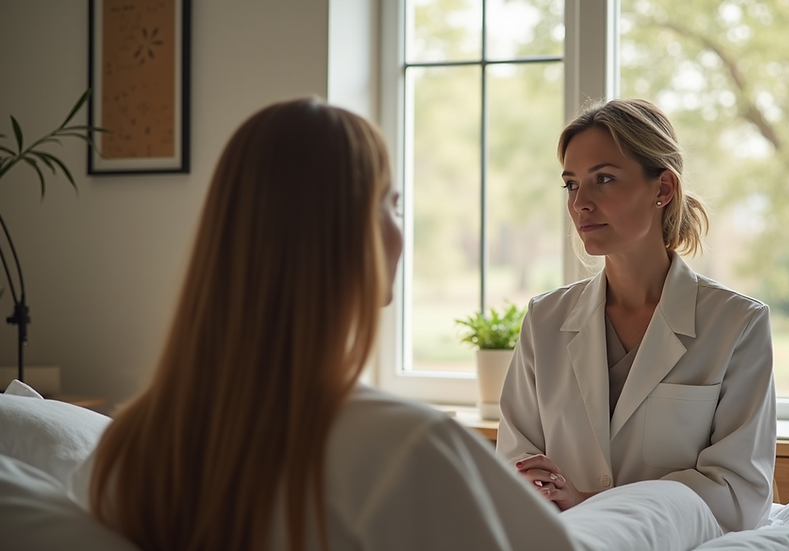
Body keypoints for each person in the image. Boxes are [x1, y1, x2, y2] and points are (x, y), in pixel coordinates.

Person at [69, 98, 725, 551]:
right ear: (341, 237)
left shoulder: (127, 448)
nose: (400, 229)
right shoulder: (409, 448)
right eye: (391, 203)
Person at [495, 98, 777, 533]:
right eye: (571, 184)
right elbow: (516, 473)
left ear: (663, 190)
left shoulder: (737, 324)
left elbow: (740, 497)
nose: (580, 203)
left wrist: (590, 503)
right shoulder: (545, 320)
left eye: (603, 179)